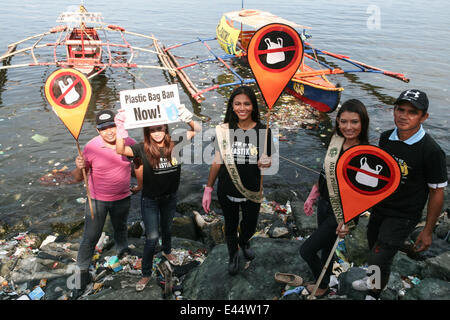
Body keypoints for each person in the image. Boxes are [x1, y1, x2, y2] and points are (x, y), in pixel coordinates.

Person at [352, 89, 447, 300]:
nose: (404, 116)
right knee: (373, 248)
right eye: (400, 109)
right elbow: (378, 176)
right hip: (380, 208)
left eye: (412, 112)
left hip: (404, 215)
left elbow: (437, 192)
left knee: (379, 257)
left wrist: (428, 231)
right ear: (394, 110)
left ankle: (373, 294)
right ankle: (373, 279)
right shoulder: (386, 138)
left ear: (424, 117)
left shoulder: (431, 151)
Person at [114, 104, 200, 291]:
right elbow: (120, 150)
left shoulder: (176, 142)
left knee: (167, 228)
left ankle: (167, 251)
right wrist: (120, 127)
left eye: (160, 129)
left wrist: (186, 116)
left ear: (166, 129)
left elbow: (197, 129)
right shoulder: (141, 148)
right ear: (147, 132)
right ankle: (146, 273)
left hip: (170, 197)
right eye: (152, 130)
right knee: (152, 237)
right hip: (150, 200)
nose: (157, 133)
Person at [299, 99, 370, 298]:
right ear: (337, 121)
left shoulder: (366, 154)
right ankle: (327, 277)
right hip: (324, 202)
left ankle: (321, 287)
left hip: (343, 211)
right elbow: (324, 171)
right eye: (344, 121)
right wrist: (312, 195)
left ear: (363, 123)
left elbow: (364, 193)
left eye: (354, 122)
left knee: (306, 250)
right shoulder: (335, 141)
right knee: (326, 247)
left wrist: (347, 220)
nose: (349, 127)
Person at [202, 85, 273, 276]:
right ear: (232, 106)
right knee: (231, 226)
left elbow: (269, 161)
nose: (242, 108)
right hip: (227, 188)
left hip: (251, 190)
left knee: (249, 225)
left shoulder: (263, 130)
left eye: (247, 104)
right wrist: (208, 188)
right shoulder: (224, 131)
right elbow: (217, 161)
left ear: (253, 106)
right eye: (238, 104)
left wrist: (267, 161)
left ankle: (244, 241)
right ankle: (233, 254)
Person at [71, 109, 142, 293]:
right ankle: (81, 272)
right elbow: (79, 177)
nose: (110, 131)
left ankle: (122, 253)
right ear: (97, 130)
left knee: (120, 228)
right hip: (97, 200)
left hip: (123, 198)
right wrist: (78, 167)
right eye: (104, 128)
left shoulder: (129, 143)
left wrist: (141, 184)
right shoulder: (90, 147)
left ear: (119, 126)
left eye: (113, 126)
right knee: (90, 236)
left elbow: (139, 165)